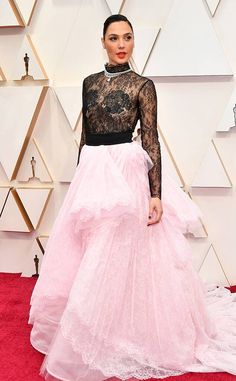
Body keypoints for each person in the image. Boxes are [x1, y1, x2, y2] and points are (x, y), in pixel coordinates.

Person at [29, 14, 236, 381]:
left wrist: (155, 194)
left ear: (133, 42)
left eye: (127, 37)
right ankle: (89, 327)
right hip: (94, 170)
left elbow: (151, 139)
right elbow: (86, 134)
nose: (121, 44)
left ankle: (120, 331)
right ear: (103, 41)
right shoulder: (89, 83)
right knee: (89, 250)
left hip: (126, 173)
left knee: (117, 252)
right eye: (114, 38)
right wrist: (80, 178)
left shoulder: (143, 85)